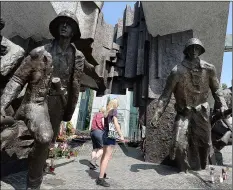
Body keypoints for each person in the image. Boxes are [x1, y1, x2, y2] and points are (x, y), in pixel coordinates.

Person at [1, 10, 84, 189]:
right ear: (55, 27)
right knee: (45, 137)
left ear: (74, 30)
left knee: (46, 144)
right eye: (61, 22)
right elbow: (17, 79)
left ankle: (34, 173)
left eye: (68, 23)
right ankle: (33, 185)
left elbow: (75, 86)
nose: (64, 25)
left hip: (58, 105)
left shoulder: (78, 57)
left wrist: (69, 110)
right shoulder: (39, 52)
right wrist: (2, 104)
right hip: (36, 102)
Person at [150, 38, 228, 172]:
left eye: (197, 48)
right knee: (178, 144)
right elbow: (165, 96)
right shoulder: (177, 71)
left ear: (201, 50)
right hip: (184, 113)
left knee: (205, 144)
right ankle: (182, 170)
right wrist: (157, 114)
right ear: (186, 51)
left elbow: (216, 90)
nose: (194, 51)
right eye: (191, 48)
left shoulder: (209, 69)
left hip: (201, 113)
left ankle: (202, 168)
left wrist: (223, 104)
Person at [96, 99, 125, 187]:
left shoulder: (106, 113)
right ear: (115, 104)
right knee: (107, 158)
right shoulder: (114, 111)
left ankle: (102, 173)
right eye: (117, 104)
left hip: (105, 135)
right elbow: (116, 124)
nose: (118, 106)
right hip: (110, 135)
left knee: (104, 156)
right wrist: (121, 135)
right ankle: (100, 179)